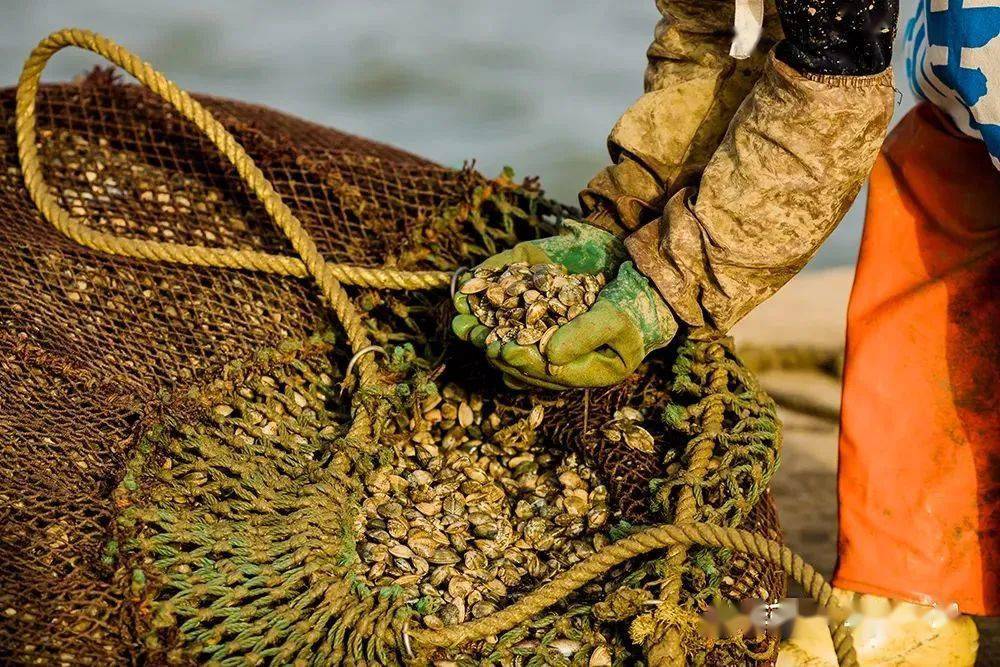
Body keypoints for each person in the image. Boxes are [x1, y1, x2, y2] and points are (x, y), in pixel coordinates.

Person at [453, 0, 994, 664]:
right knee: (938, 224)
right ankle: (908, 598)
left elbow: (836, 55)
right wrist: (631, 203)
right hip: (966, 97)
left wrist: (676, 280)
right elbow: (729, 24)